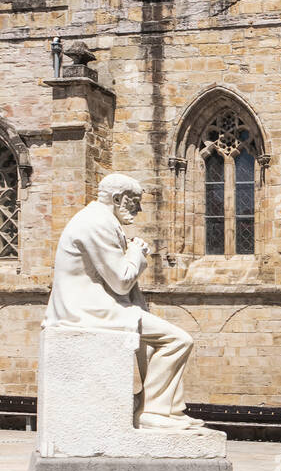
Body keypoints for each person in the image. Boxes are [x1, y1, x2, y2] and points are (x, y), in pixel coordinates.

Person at [44, 173, 205, 431]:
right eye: (135, 202)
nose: (139, 209)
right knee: (178, 340)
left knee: (151, 344)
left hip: (99, 305)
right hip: (85, 310)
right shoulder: (96, 223)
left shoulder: (101, 220)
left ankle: (168, 410)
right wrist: (136, 252)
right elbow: (121, 280)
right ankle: (153, 411)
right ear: (118, 198)